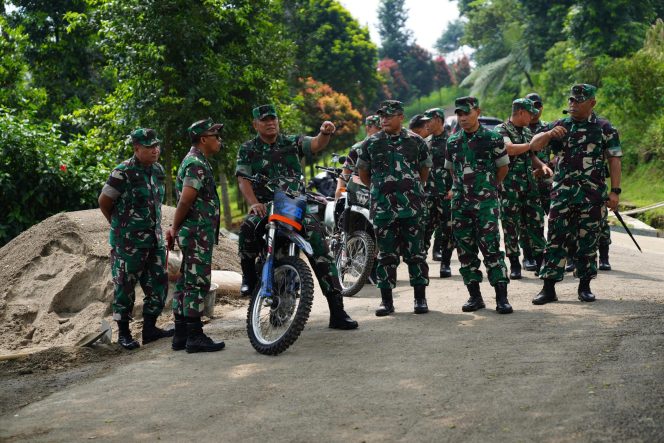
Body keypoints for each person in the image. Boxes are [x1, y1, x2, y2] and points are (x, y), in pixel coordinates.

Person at [236, 104, 357, 330]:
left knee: (321, 249)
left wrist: (325, 132)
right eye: (265, 120)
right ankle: (248, 278)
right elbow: (243, 178)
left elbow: (316, 144)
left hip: (293, 204)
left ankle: (337, 311)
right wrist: (254, 203)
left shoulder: (292, 141)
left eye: (273, 119)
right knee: (247, 228)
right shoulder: (248, 149)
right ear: (255, 124)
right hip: (266, 206)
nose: (271, 123)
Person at [530, 84, 622, 304]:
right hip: (562, 194)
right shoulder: (560, 126)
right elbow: (533, 147)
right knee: (555, 239)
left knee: (588, 241)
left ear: (592, 103)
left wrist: (615, 191)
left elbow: (614, 159)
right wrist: (550, 133)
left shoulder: (604, 128)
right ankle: (548, 288)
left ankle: (584, 286)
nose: (573, 104)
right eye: (571, 100)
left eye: (579, 100)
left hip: (592, 195)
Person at [98, 128, 174, 350]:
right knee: (125, 286)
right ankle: (124, 334)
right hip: (128, 243)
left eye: (156, 146)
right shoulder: (122, 172)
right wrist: (119, 227)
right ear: (137, 148)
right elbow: (104, 201)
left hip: (154, 239)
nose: (155, 150)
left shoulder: (157, 170)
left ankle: (150, 330)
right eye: (149, 147)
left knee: (159, 284)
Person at [357, 100, 432, 316]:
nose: (384, 119)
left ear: (401, 117)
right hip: (383, 209)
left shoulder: (416, 142)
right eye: (382, 116)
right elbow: (364, 174)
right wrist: (379, 190)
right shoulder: (371, 143)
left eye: (389, 116)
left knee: (416, 254)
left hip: (412, 208)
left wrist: (411, 188)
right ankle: (386, 302)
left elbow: (423, 171)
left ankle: (420, 299)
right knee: (386, 255)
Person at [444, 96, 513, 314]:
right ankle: (475, 297)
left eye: (467, 113)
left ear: (478, 112)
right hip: (461, 205)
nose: (463, 118)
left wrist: (488, 187)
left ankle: (501, 298)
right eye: (459, 114)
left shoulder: (493, 139)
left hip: (486, 205)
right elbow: (452, 170)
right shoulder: (453, 141)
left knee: (491, 248)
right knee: (465, 251)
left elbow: (503, 169)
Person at [165, 118, 226, 353]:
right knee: (197, 282)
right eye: (215, 136)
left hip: (196, 231)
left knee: (186, 281)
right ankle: (194, 336)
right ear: (203, 139)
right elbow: (186, 199)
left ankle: (180, 335)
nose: (219, 140)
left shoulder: (196, 160)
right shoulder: (195, 163)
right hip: (197, 231)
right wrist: (174, 227)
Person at [494, 98, 551, 280]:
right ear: (520, 112)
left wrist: (542, 166)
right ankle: (515, 264)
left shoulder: (527, 131)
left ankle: (541, 262)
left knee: (536, 223)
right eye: (529, 113)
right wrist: (530, 145)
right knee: (511, 226)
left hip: (530, 186)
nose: (532, 117)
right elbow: (509, 149)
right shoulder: (500, 130)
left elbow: (531, 155)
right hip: (509, 187)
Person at [420, 107, 455, 277]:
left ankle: (445, 264)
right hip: (428, 195)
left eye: (429, 120)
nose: (426, 124)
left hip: (447, 195)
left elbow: (459, 168)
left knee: (448, 231)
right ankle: (421, 264)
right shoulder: (425, 143)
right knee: (424, 229)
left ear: (439, 120)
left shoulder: (452, 141)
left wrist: (454, 188)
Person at [525, 92, 552, 272]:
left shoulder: (548, 129)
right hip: (526, 182)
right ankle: (529, 256)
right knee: (528, 222)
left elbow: (557, 154)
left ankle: (553, 255)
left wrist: (548, 167)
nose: (535, 110)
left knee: (556, 219)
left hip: (547, 181)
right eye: (531, 106)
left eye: (538, 106)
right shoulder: (519, 128)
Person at [335, 115, 380, 200]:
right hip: (360, 196)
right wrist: (338, 195)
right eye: (378, 129)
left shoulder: (387, 147)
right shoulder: (358, 148)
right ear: (368, 128)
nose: (382, 132)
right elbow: (345, 175)